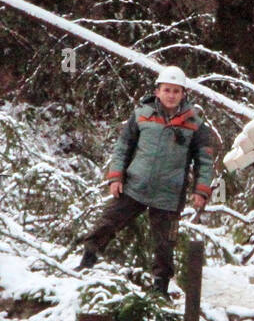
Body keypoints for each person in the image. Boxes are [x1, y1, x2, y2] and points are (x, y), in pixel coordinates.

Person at [77, 65, 216, 295]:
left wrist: (201, 191)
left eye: (176, 91)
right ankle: (87, 261)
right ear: (157, 91)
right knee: (108, 222)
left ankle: (160, 287)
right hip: (135, 185)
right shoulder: (141, 114)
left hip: (169, 194)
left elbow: (205, 160)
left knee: (164, 243)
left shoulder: (195, 125)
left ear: (183, 94)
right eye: (167, 90)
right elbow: (123, 146)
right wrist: (116, 177)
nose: (171, 95)